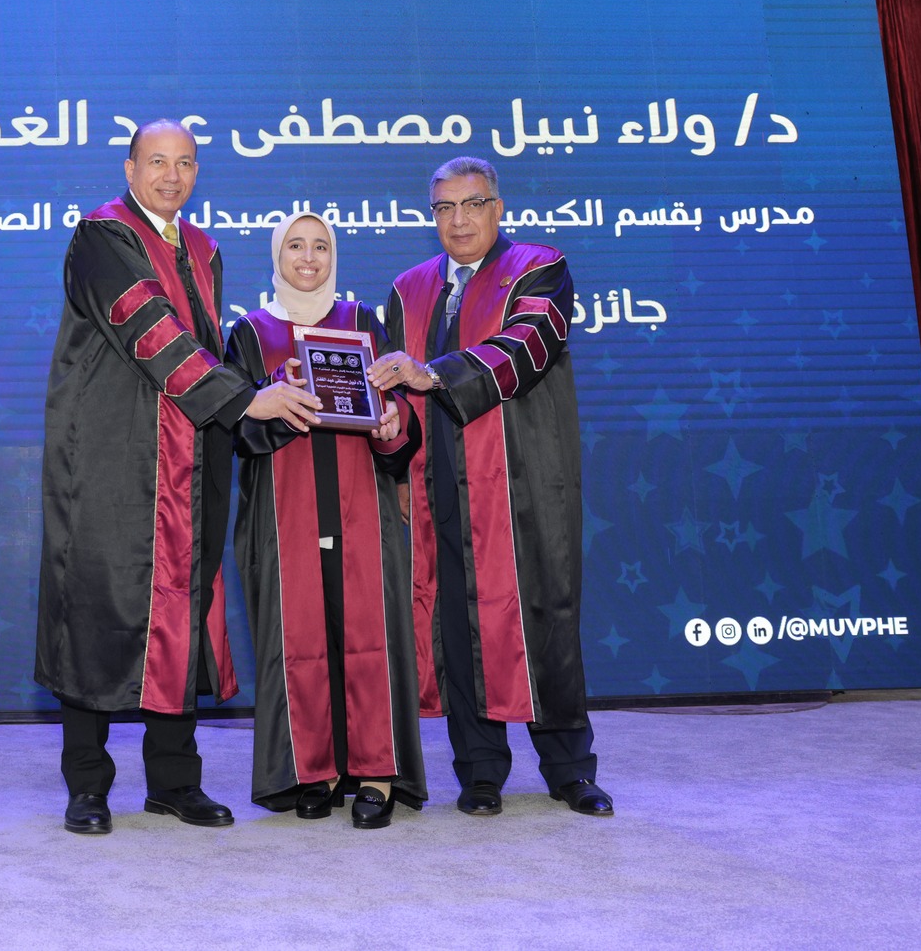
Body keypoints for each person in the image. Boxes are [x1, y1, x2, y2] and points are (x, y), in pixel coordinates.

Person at [36, 119, 323, 835]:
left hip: (189, 462)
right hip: (110, 457)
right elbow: (149, 329)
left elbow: (206, 346)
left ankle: (173, 781)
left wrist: (265, 392)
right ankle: (87, 785)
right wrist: (243, 398)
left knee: (182, 613)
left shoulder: (202, 248)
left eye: (185, 163)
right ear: (130, 169)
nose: (172, 176)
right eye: (157, 162)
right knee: (97, 611)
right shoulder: (102, 235)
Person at [373, 155, 612, 819]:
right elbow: (396, 398)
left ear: (497, 209)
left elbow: (529, 346)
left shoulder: (539, 268)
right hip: (441, 484)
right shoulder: (408, 290)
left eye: (473, 204)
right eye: (445, 207)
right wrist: (397, 463)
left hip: (523, 481)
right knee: (457, 625)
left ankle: (570, 769)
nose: (459, 220)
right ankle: (479, 771)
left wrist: (435, 373)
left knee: (545, 621)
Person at [225, 212, 427, 829]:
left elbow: (398, 414)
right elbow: (235, 427)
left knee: (369, 633)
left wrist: (393, 424)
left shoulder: (362, 322)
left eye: (319, 246)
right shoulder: (249, 333)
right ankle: (315, 769)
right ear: (276, 256)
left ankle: (375, 771)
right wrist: (267, 397)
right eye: (295, 245)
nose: (308, 257)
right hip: (282, 510)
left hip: (363, 504)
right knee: (299, 636)